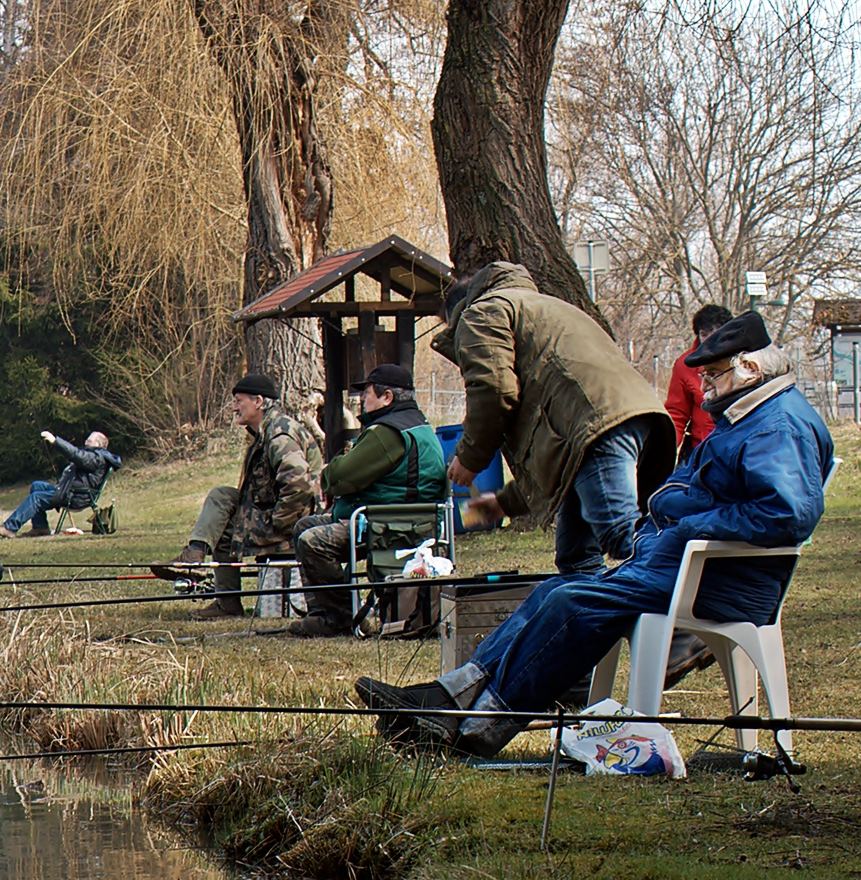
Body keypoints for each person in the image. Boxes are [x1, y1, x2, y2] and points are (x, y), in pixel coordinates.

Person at [355, 312, 833, 758]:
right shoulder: (750, 416)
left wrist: (688, 525)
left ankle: (481, 727)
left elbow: (787, 514)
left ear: (748, 369)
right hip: (681, 566)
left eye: (713, 376)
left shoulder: (778, 425)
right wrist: (671, 513)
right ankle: (447, 698)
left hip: (721, 579)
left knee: (574, 603)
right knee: (558, 588)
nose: (704, 388)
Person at [438, 263, 676, 576]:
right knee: (576, 557)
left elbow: (494, 392)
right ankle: (598, 620)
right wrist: (503, 504)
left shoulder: (481, 313)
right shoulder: (546, 307)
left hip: (595, 425)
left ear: (457, 312)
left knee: (621, 536)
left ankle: (703, 577)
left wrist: (469, 457)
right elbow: (553, 457)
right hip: (629, 416)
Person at [287, 363, 449, 637]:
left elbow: (342, 474)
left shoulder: (388, 432)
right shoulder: (418, 425)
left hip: (386, 525)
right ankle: (321, 612)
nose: (362, 400)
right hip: (405, 519)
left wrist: (326, 475)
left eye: (368, 394)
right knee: (304, 525)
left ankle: (341, 617)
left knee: (311, 541)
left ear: (387, 397)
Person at [152, 373, 322, 619]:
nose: (234, 408)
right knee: (223, 502)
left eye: (238, 401)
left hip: (293, 525)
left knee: (223, 505)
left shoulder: (279, 436)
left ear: (259, 401)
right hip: (277, 516)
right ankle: (214, 583)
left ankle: (195, 559)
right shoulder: (266, 432)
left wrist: (280, 522)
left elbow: (299, 486)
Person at [0, 431, 121, 537]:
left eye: (89, 440)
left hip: (76, 497)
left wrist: (55, 441)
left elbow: (76, 454)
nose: (86, 442)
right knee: (37, 485)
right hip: (70, 491)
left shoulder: (96, 458)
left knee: (37, 497)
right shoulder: (95, 456)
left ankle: (9, 528)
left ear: (98, 444)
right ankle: (40, 528)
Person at [666, 304, 733, 464]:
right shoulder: (685, 364)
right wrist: (663, 451)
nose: (710, 340)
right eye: (704, 334)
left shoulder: (742, 361)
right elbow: (676, 413)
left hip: (734, 447)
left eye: (715, 333)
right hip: (701, 450)